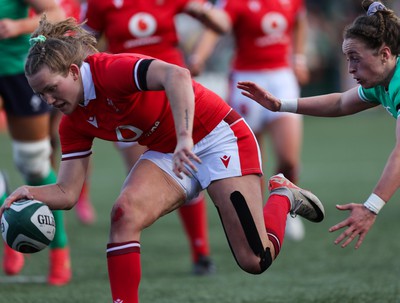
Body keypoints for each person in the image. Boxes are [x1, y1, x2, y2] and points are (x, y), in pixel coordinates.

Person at [2, 16, 325, 303]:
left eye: (51, 89)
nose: (48, 100)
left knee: (255, 260)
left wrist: (185, 136)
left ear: (73, 72)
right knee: (124, 214)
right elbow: (68, 192)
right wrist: (30, 193)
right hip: (168, 150)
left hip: (218, 137)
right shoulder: (72, 121)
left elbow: (177, 76)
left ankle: (283, 194)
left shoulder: (109, 71)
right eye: (40, 94)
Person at [81, 0, 231, 274]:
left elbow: (222, 24)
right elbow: (83, 46)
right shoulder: (100, 3)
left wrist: (203, 12)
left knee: (184, 166)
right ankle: (128, 242)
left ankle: (201, 253)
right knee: (142, 183)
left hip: (171, 92)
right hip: (124, 99)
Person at [237, 0, 399, 250]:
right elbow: (340, 103)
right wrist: (280, 105)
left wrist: (370, 208)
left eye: (355, 58)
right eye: (347, 59)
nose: (350, 68)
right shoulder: (382, 81)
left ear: (385, 53)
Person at [188, 0, 310, 241]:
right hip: (246, 79)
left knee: (289, 158)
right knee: (253, 160)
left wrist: (299, 59)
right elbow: (215, 27)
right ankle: (259, 216)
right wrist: (198, 58)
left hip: (282, 78)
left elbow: (299, 21)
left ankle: (286, 206)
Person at [0, 0, 71, 285]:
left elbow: (56, 14)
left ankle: (59, 248)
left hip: (18, 71)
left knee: (33, 161)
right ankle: (10, 231)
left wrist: (17, 26)